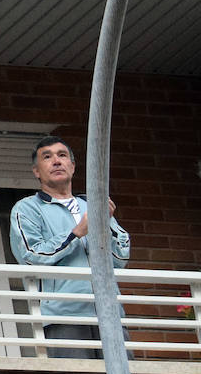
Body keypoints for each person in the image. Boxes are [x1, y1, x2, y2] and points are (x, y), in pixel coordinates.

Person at [9, 134, 131, 359]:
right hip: (63, 315)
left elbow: (120, 257)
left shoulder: (92, 205)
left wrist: (106, 225)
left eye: (62, 155)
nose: (56, 161)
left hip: (109, 313)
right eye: (47, 157)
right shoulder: (27, 209)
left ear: (72, 166)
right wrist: (76, 233)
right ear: (36, 171)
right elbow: (30, 254)